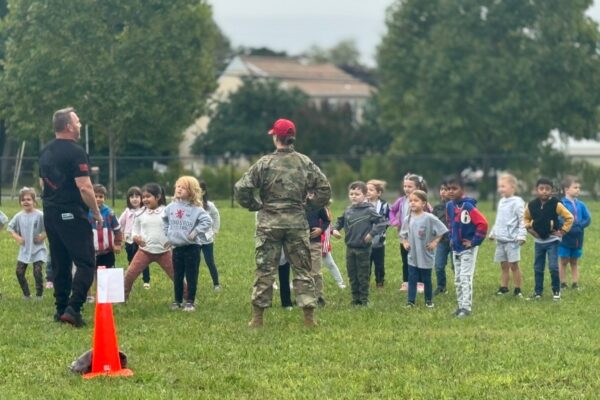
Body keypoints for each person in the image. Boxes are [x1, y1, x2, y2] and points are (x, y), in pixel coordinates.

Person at [234, 118, 331, 327]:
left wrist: (256, 205)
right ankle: (308, 318)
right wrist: (308, 206)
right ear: (292, 138)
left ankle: (258, 318)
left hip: (269, 223)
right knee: (303, 269)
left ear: (276, 138)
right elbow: (325, 189)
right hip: (296, 222)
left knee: (265, 269)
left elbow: (241, 188)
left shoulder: (265, 163)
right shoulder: (304, 162)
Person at [39, 107, 101, 327]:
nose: (80, 125)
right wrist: (95, 211)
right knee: (85, 262)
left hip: (51, 211)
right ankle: (74, 309)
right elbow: (84, 187)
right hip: (71, 213)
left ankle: (60, 309)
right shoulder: (76, 152)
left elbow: (42, 183)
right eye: (77, 121)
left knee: (60, 262)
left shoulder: (45, 150)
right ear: (68, 126)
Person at [332, 181, 387, 307]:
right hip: (350, 248)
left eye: (357, 194)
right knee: (352, 274)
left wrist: (371, 234)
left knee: (362, 275)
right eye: (351, 194)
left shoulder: (369, 210)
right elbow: (340, 221)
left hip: (363, 249)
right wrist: (335, 229)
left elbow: (382, 222)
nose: (354, 196)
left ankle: (364, 299)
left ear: (365, 195)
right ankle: (355, 298)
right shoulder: (348, 210)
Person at [163, 176, 212, 312]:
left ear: (191, 191)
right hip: (177, 247)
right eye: (178, 186)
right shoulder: (170, 207)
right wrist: (168, 233)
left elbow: (207, 221)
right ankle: (178, 301)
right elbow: (165, 220)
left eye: (183, 187)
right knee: (177, 275)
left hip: (192, 247)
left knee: (191, 275)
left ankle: (190, 301)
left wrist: (196, 232)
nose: (179, 189)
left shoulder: (196, 209)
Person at [124, 183, 179, 302]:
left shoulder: (167, 212)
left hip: (164, 252)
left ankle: (187, 298)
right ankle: (122, 298)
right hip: (144, 251)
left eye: (148, 196)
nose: (145, 199)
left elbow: (175, 228)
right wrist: (135, 237)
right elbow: (135, 228)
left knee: (177, 276)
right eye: (143, 197)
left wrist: (171, 240)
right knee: (129, 275)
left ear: (158, 197)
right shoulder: (140, 213)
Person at [445, 175, 488, 318]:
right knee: (457, 278)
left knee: (465, 277)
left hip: (467, 248)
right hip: (455, 247)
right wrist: (451, 238)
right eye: (448, 189)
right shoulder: (449, 206)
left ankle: (466, 308)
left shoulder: (468, 206)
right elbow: (450, 224)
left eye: (454, 188)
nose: (451, 191)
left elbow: (483, 223)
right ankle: (459, 306)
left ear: (462, 190)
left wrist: (474, 241)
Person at [524, 178, 573, 300]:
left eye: (547, 189)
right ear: (537, 190)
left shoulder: (556, 204)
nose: (544, 191)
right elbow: (526, 218)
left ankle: (556, 292)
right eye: (541, 189)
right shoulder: (531, 205)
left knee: (553, 267)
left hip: (552, 241)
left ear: (551, 191)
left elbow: (569, 218)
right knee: (538, 267)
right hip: (538, 242)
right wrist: (529, 228)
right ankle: (538, 293)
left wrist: (562, 231)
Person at [399, 190, 448, 308]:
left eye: (416, 200)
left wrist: (435, 242)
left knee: (426, 278)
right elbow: (403, 234)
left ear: (424, 203)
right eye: (410, 201)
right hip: (412, 255)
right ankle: (411, 301)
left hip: (426, 254)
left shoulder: (429, 218)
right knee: (412, 278)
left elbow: (442, 230)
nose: (412, 203)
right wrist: (405, 242)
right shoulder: (408, 218)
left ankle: (428, 301)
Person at [489, 174, 527, 297]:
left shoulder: (517, 202)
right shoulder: (501, 201)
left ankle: (517, 289)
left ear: (512, 187)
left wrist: (522, 235)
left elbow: (522, 219)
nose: (500, 189)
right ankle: (504, 287)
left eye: (503, 186)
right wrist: (493, 233)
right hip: (500, 240)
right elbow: (499, 220)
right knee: (503, 265)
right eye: (499, 186)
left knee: (513, 265)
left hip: (512, 240)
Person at [8, 187, 48, 300]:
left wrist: (42, 236)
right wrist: (18, 238)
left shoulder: (40, 215)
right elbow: (10, 228)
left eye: (29, 199)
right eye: (23, 199)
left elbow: (50, 227)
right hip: (25, 249)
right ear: (20, 202)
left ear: (34, 202)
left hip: (38, 249)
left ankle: (39, 295)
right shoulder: (18, 216)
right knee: (19, 272)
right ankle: (26, 294)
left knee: (37, 272)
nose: (26, 201)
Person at [390, 174, 428, 292]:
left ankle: (420, 283)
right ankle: (406, 283)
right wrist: (394, 221)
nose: (406, 188)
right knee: (406, 259)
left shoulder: (423, 202)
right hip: (404, 236)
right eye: (405, 186)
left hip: (419, 236)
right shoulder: (401, 201)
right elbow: (391, 210)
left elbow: (431, 215)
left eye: (409, 186)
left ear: (417, 188)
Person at [559, 176, 591, 290]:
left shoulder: (581, 204)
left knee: (574, 261)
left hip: (578, 237)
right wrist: (568, 227)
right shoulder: (561, 203)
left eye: (579, 187)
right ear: (566, 189)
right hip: (565, 237)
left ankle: (575, 283)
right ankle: (562, 283)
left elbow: (588, 219)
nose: (578, 189)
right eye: (575, 187)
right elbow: (559, 218)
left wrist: (579, 226)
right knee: (563, 260)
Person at [119, 186, 151, 289]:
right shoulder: (127, 211)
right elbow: (120, 224)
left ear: (141, 198)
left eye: (137, 196)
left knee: (144, 261)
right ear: (128, 199)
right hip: (129, 240)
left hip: (141, 240)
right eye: (131, 197)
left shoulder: (145, 211)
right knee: (131, 261)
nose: (134, 199)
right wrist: (120, 237)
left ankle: (146, 281)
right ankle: (130, 280)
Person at [366, 179, 390, 288]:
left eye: (371, 190)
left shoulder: (384, 205)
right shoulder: (362, 204)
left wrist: (380, 230)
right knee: (366, 262)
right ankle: (365, 281)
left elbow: (387, 220)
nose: (368, 192)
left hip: (379, 239)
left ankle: (380, 281)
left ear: (379, 193)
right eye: (366, 189)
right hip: (365, 239)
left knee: (379, 263)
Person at [199, 181, 222, 291]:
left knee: (210, 261)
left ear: (203, 192)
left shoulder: (209, 206)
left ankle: (216, 284)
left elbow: (216, 216)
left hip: (207, 240)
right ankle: (187, 284)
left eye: (198, 190)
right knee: (193, 263)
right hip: (194, 241)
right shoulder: (189, 205)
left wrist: (215, 230)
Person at [431, 182, 452, 295]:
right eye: (441, 189)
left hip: (454, 241)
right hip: (441, 241)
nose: (443, 192)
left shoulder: (456, 206)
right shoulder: (437, 208)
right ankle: (441, 286)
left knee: (456, 266)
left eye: (446, 189)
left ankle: (462, 285)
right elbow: (432, 223)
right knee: (438, 265)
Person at [307, 206, 330, 307]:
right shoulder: (297, 203)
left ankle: (318, 297)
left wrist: (321, 229)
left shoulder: (318, 205)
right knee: (302, 272)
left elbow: (326, 221)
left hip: (314, 243)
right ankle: (304, 296)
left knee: (315, 271)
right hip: (299, 243)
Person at [321, 205, 346, 289]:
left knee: (331, 264)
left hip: (325, 245)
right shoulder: (315, 212)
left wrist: (334, 232)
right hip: (315, 245)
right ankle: (294, 284)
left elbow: (328, 226)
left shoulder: (326, 210)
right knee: (309, 267)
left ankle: (340, 283)